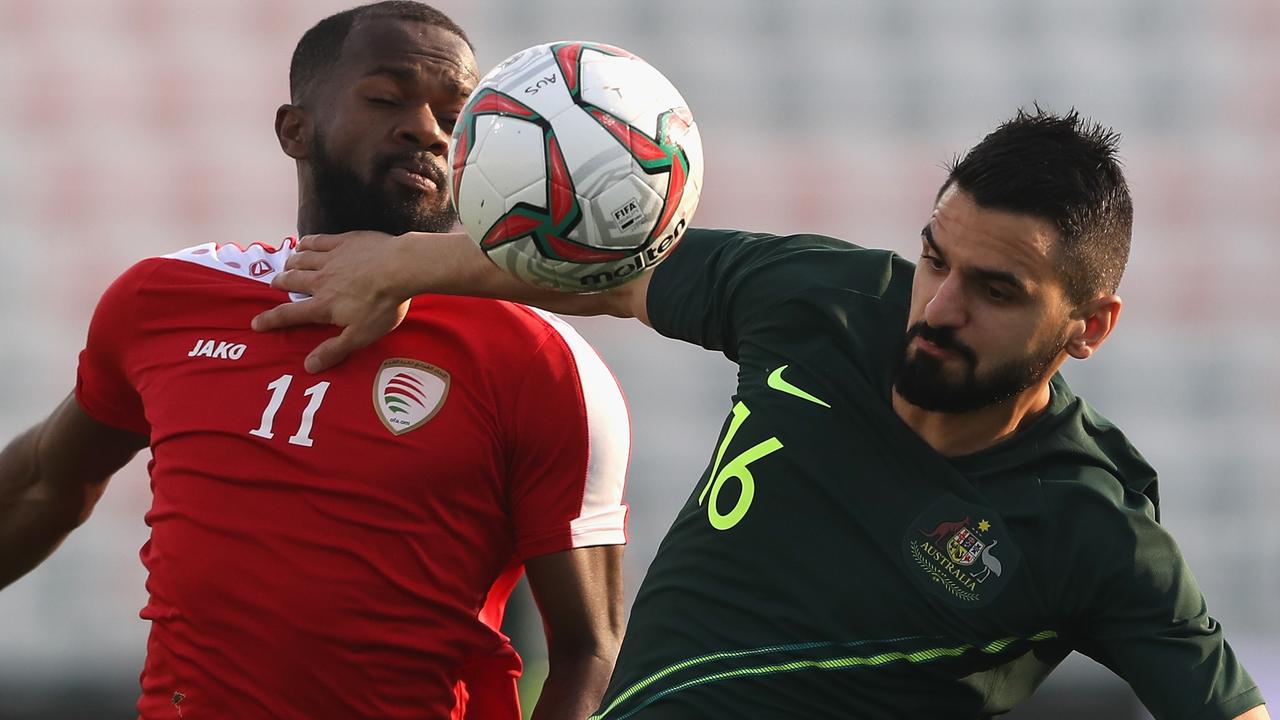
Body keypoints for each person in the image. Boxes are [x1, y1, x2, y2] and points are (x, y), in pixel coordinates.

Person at [253, 108, 1270, 719]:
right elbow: (608, 271)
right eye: (933, 258)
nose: (939, 307)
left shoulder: (1091, 531)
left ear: (1088, 327)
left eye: (994, 291)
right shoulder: (824, 300)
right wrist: (402, 264)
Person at [0, 3, 632, 719]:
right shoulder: (165, 300)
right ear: (293, 129)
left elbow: (590, 652)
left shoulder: (540, 361)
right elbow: (42, 486)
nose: (427, 129)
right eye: (388, 98)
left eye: (457, 117)